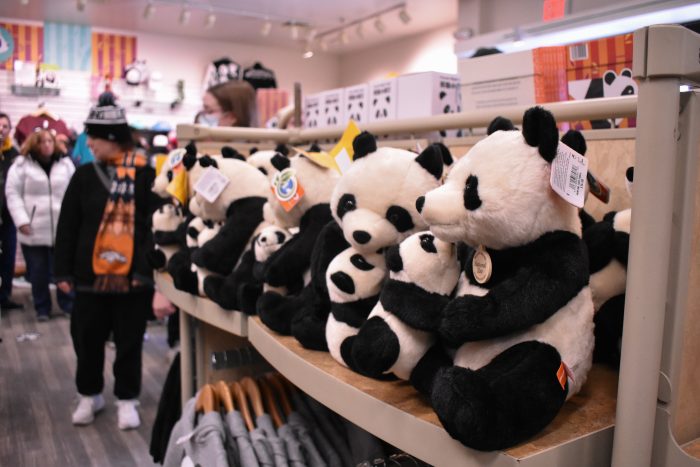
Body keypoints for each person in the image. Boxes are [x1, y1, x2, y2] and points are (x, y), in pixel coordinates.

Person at [54, 92, 159, 430]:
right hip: (88, 278)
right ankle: (90, 394)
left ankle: (127, 399)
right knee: (86, 339)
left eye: (94, 138)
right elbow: (68, 225)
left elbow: (152, 226)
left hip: (131, 279)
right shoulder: (84, 176)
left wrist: (145, 272)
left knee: (129, 340)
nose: (90, 144)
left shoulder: (146, 175)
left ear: (112, 138)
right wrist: (62, 271)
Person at [5, 128, 75, 321]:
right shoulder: (21, 166)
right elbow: (12, 194)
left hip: (62, 229)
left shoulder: (66, 164)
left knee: (64, 270)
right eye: (42, 142)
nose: (47, 145)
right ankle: (42, 307)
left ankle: (68, 304)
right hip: (33, 229)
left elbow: (75, 193)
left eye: (50, 141)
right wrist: (21, 220)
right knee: (38, 272)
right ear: (34, 144)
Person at [0, 112, 21, 309]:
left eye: (5, 126)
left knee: (7, 258)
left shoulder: (15, 156)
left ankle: (4, 297)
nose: (1, 130)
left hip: (8, 217)